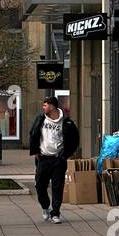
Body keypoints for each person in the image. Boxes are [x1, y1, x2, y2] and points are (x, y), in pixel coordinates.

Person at [28, 96, 80, 224]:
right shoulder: (40, 119)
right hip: (43, 158)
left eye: (45, 105)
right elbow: (33, 133)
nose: (43, 107)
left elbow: (74, 139)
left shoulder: (66, 122)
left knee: (57, 187)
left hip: (58, 159)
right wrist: (35, 151)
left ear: (52, 106)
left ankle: (55, 213)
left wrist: (66, 154)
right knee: (40, 186)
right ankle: (45, 206)